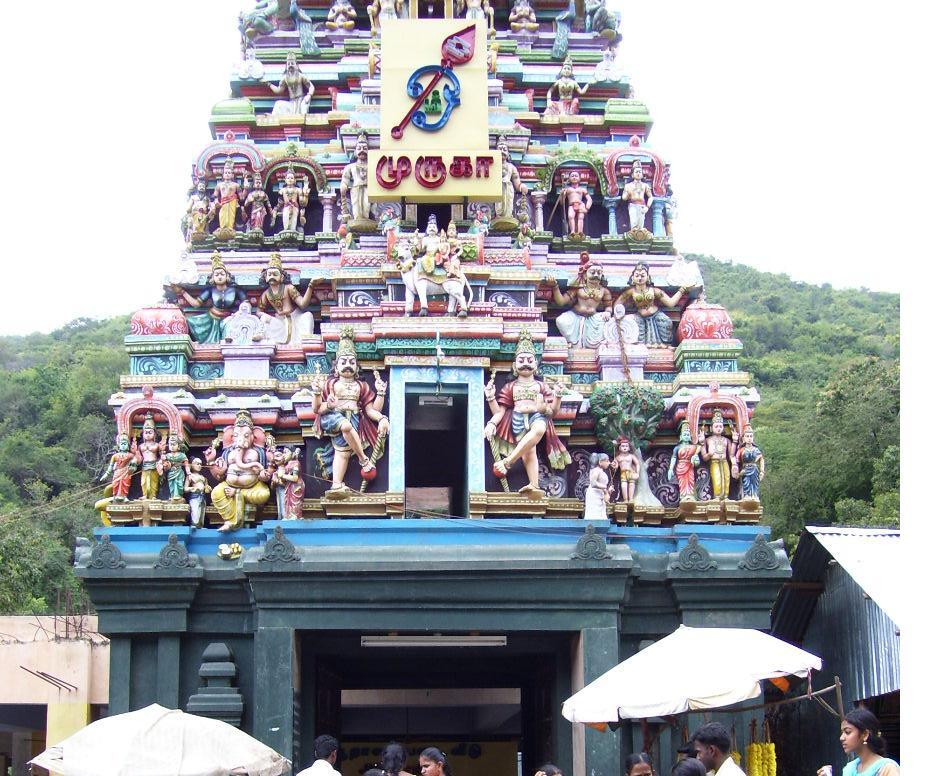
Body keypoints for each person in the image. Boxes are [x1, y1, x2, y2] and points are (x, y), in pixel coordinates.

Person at [817, 707, 899, 776]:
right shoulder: (849, 768)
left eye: (847, 732)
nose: (841, 738)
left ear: (865, 734)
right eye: (842, 733)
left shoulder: (886, 768)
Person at [583, 452, 610, 519]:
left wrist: (607, 492)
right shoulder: (595, 470)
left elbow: (602, 485)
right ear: (600, 462)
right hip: (594, 494)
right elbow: (593, 483)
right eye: (607, 461)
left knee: (601, 513)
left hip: (600, 493)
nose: (609, 463)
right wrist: (605, 487)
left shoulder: (601, 471)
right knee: (594, 513)